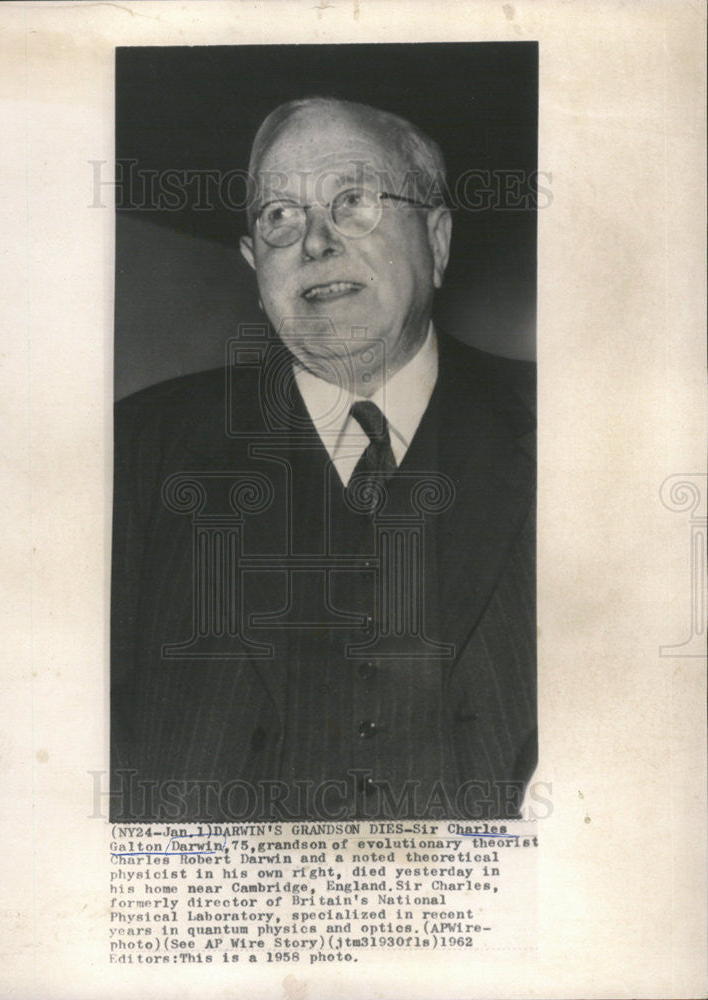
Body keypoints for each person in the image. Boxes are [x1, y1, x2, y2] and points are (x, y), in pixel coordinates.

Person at [110, 97, 536, 822]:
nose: (313, 241)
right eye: (278, 216)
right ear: (253, 264)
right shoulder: (133, 451)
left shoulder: (585, 429)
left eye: (353, 201)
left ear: (436, 239)